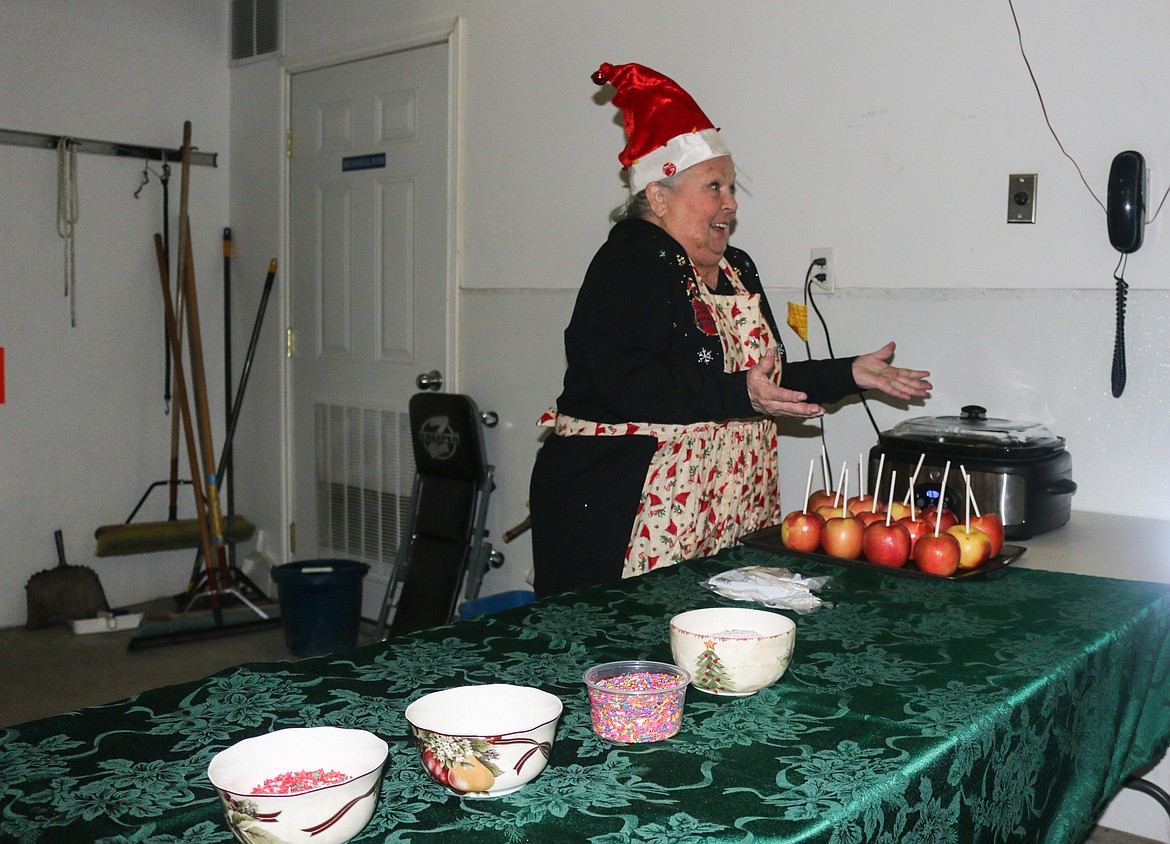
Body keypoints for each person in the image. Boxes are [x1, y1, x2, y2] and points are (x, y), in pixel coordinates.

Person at [529, 62, 931, 598]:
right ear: (658, 195)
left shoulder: (736, 265)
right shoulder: (629, 261)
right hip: (630, 507)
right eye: (713, 185)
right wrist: (743, 392)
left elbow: (765, 379)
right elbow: (628, 385)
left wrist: (849, 373)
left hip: (724, 503)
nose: (731, 202)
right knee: (627, 657)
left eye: (731, 187)